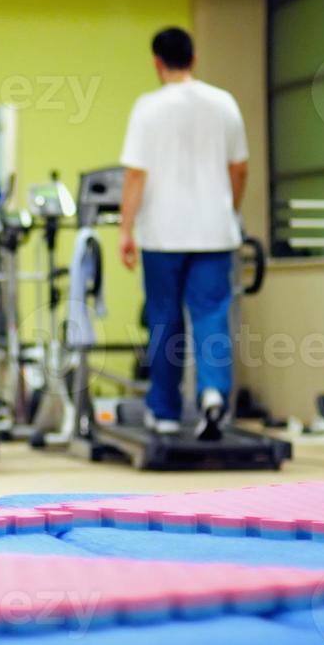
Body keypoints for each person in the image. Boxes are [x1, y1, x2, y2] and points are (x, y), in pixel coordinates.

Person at [117, 26, 249, 441]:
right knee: (211, 315)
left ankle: (165, 410)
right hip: (214, 233)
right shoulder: (224, 103)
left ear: (157, 63)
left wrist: (125, 230)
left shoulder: (148, 107)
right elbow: (240, 168)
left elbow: (136, 174)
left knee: (164, 320)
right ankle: (212, 394)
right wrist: (229, 209)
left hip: (162, 234)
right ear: (194, 59)